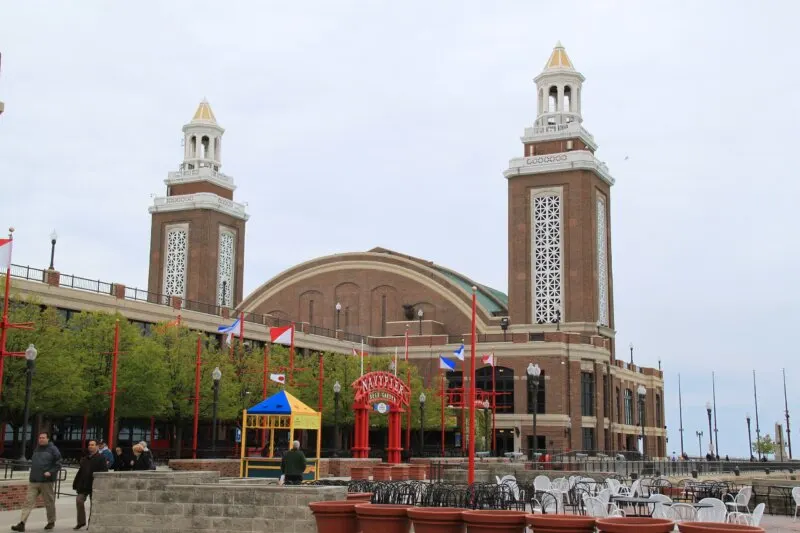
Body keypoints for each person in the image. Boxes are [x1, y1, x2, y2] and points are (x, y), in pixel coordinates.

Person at [12, 432, 62, 532]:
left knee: (49, 502)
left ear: (48, 439)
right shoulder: (36, 449)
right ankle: (22, 523)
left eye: (43, 438)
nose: (41, 439)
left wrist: (50, 472)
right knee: (27, 502)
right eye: (40, 438)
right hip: (34, 480)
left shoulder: (53, 449)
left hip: (46, 482)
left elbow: (59, 463)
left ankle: (51, 521)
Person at [72, 440, 108, 530]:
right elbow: (81, 472)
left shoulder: (101, 458)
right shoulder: (85, 458)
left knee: (94, 505)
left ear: (97, 447)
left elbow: (104, 472)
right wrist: (76, 484)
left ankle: (91, 523)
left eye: (92, 445)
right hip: (83, 485)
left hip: (95, 485)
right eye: (89, 445)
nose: (90, 446)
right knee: (79, 501)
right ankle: (81, 522)